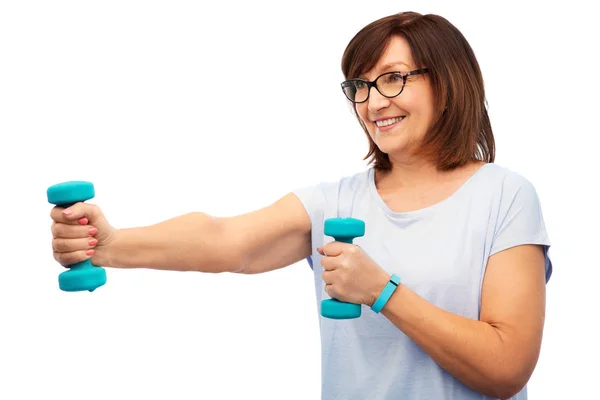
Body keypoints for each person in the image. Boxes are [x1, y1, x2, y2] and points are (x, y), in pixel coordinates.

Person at [49, 11, 552, 400]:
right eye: (361, 86)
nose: (374, 103)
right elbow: (227, 240)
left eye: (394, 78)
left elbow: (506, 368)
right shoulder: (337, 200)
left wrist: (381, 292)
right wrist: (110, 245)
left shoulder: (504, 196)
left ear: (447, 82)